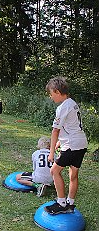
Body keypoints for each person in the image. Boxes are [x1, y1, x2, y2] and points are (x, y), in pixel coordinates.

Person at [44, 76, 88, 214]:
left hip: (72, 145)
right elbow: (70, 125)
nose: (51, 98)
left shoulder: (63, 107)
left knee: (54, 171)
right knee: (73, 175)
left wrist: (51, 152)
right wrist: (58, 143)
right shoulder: (72, 103)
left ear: (57, 91)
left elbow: (55, 130)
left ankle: (61, 203)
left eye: (51, 94)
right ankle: (70, 203)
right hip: (81, 143)